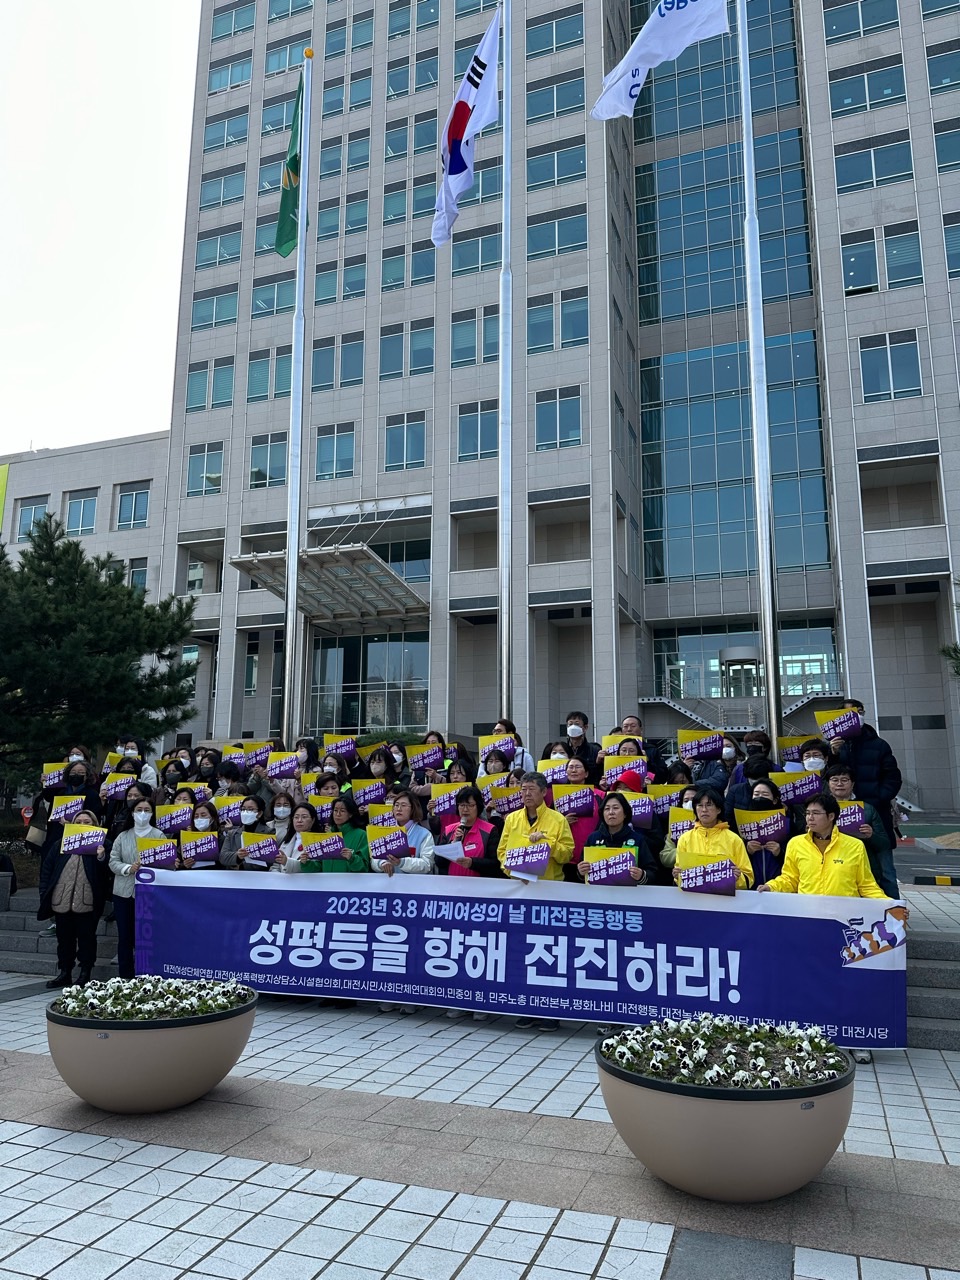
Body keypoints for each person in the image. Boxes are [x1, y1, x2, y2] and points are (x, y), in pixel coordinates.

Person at [497, 771, 574, 1031]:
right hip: (522, 890)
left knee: (549, 951)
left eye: (531, 789)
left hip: (550, 892)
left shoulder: (557, 819)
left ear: (543, 792)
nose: (526, 793)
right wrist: (513, 871)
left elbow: (567, 854)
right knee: (523, 950)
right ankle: (527, 1007)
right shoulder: (512, 819)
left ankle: (550, 1011)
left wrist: (548, 843)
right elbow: (502, 852)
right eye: (523, 789)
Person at [38, 809, 109, 989]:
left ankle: (85, 972)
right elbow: (47, 869)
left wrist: (101, 857)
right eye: (79, 822)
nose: (82, 824)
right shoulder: (60, 844)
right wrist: (44, 893)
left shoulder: (103, 843)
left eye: (87, 821)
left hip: (86, 900)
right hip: (62, 899)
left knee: (87, 939)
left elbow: (108, 873)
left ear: (94, 824)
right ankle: (64, 972)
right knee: (64, 940)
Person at [830, 699, 903, 848]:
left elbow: (893, 777)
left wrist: (880, 797)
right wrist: (833, 754)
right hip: (844, 810)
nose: (858, 716)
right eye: (851, 712)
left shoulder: (879, 745)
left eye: (860, 712)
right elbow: (828, 775)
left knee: (881, 854)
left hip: (876, 808)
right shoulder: (834, 746)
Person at [823, 764, 899, 899]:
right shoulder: (820, 809)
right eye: (834, 780)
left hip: (861, 864)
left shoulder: (867, 809)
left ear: (852, 784)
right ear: (828, 784)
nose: (839, 784)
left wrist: (871, 835)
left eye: (844, 780)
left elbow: (884, 844)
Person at [108, 796, 164, 977]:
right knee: (125, 936)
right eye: (139, 810)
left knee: (146, 937)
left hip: (149, 894)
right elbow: (113, 861)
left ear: (152, 813)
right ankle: (125, 976)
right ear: (132, 813)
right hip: (123, 893)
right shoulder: (123, 836)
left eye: (147, 810)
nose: (142, 814)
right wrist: (128, 868)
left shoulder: (158, 835)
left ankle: (146, 974)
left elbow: (165, 863)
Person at [674, 786, 754, 890]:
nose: (704, 810)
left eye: (709, 805)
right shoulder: (685, 839)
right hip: (694, 897)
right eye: (700, 805)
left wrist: (738, 878)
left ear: (718, 809)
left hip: (724, 897)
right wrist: (677, 876)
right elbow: (679, 873)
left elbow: (749, 878)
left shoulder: (734, 839)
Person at [580, 793, 659, 884]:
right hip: (597, 891)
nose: (611, 812)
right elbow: (582, 871)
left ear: (625, 813)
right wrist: (581, 871)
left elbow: (652, 872)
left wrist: (641, 875)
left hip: (628, 892)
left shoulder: (637, 839)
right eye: (607, 809)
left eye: (616, 808)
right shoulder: (593, 838)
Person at [730, 777, 789, 887]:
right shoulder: (742, 821)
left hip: (778, 885)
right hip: (752, 885)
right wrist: (747, 851)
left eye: (765, 794)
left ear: (775, 800)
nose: (760, 797)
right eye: (756, 794)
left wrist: (780, 853)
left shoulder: (787, 822)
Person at [437, 785, 503, 880]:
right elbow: (438, 862)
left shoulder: (489, 830)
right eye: (462, 805)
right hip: (452, 884)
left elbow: (495, 864)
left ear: (478, 807)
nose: (465, 809)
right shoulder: (449, 830)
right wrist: (452, 844)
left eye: (470, 805)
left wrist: (472, 863)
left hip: (478, 885)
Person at [556, 756, 601, 880]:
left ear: (586, 773)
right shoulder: (557, 796)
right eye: (570, 767)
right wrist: (563, 822)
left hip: (590, 856)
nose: (574, 770)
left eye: (577, 767)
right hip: (565, 857)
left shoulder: (600, 795)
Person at [374, 791, 435, 876]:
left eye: (403, 805)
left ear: (413, 809)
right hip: (388, 881)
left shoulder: (424, 834)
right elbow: (374, 859)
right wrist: (381, 863)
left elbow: (427, 864)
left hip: (414, 883)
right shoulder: (384, 831)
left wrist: (402, 862)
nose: (399, 809)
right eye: (396, 805)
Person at [221, 794, 271, 869]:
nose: (245, 812)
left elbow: (269, 860)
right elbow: (223, 857)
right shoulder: (232, 833)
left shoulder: (268, 832)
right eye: (243, 809)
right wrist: (237, 856)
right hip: (233, 874)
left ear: (260, 813)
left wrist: (242, 866)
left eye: (250, 809)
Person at [618, 713, 668, 783]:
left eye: (633, 726)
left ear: (641, 729)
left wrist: (647, 762)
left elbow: (663, 777)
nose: (629, 729)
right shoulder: (615, 750)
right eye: (625, 726)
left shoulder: (652, 750)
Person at [563, 711, 601, 780]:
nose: (573, 727)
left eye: (577, 724)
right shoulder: (562, 750)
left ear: (585, 728)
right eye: (570, 724)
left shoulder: (595, 750)